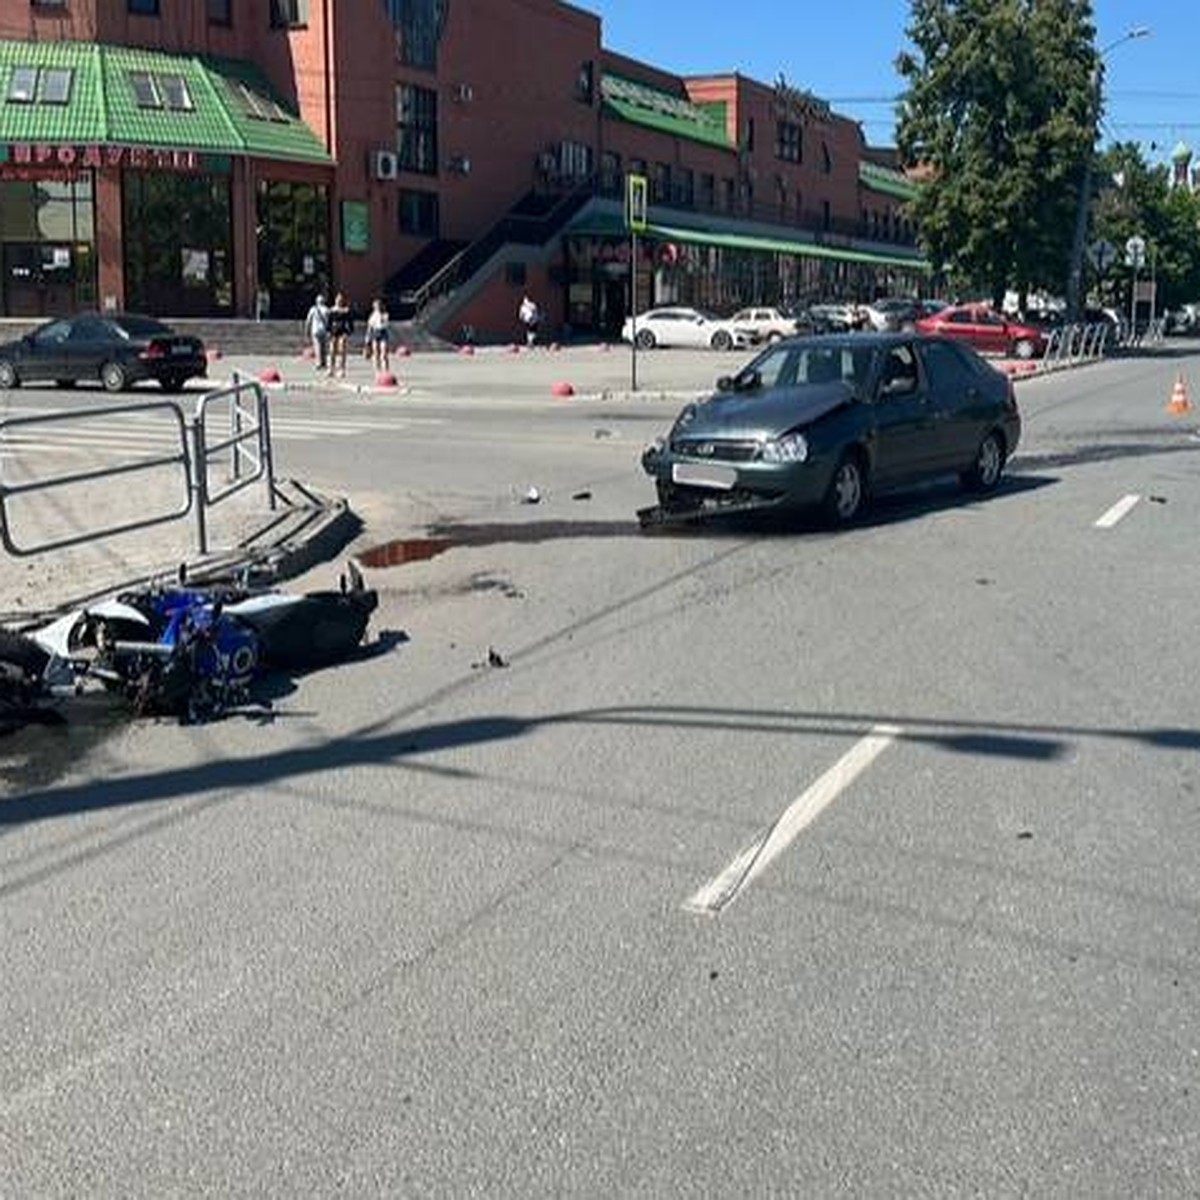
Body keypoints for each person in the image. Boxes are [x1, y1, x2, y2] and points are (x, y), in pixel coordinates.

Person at [327, 293, 352, 378]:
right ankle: (331, 369)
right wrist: (328, 332)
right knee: (332, 350)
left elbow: (350, 323)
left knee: (342, 351)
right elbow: (329, 323)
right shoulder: (331, 310)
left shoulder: (346, 310)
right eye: (338, 299)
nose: (339, 301)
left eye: (341, 299)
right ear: (335, 300)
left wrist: (348, 332)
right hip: (334, 331)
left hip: (343, 331)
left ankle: (341, 369)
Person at [304, 293, 330, 370]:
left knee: (317, 347)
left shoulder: (313, 309)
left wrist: (306, 330)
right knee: (324, 348)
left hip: (315, 330)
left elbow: (308, 321)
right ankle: (324, 363)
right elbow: (329, 321)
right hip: (324, 330)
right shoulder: (326, 309)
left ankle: (318, 363)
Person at [366, 298, 391, 372]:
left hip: (382, 332)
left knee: (384, 353)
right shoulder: (372, 315)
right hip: (375, 333)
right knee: (376, 353)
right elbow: (370, 327)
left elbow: (384, 324)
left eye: (379, 305)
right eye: (376, 305)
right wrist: (367, 338)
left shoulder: (385, 314)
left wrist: (380, 314)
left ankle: (386, 370)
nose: (378, 307)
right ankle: (377, 370)